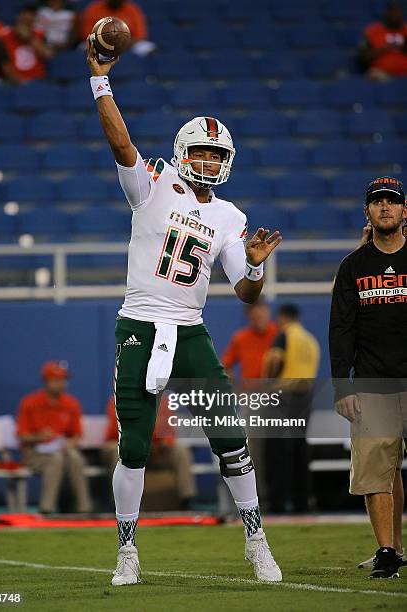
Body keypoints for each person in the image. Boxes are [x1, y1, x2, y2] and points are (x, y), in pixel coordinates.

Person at [86, 41, 283, 585]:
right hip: (141, 320)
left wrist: (259, 267)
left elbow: (245, 294)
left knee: (228, 434)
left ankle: (256, 538)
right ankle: (127, 548)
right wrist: (100, 80)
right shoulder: (151, 182)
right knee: (135, 444)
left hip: (189, 327)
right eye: (200, 153)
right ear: (181, 153)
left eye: (216, 156)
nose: (208, 162)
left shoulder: (229, 215)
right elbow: (120, 142)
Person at [329, 176, 407, 578]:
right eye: (377, 202)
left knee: (387, 469)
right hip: (373, 383)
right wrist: (343, 385)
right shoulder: (353, 267)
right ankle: (388, 551)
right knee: (377, 470)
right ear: (367, 212)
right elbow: (341, 328)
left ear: (404, 211)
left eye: (391, 202)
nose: (384, 208)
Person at [262, 304, 320, 513]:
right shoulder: (310, 340)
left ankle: (277, 503)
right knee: (299, 449)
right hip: (304, 398)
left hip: (283, 396)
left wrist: (267, 384)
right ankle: (301, 502)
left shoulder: (285, 335)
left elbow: (275, 360)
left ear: (283, 317)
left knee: (277, 451)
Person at [222, 297, 278, 506]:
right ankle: (259, 496)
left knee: (277, 449)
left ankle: (276, 494)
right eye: (256, 314)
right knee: (253, 449)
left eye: (263, 312)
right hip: (253, 400)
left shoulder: (278, 334)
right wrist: (235, 388)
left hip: (278, 400)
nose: (260, 317)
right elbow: (225, 365)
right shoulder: (241, 338)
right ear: (249, 317)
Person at [16, 361, 92, 514]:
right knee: (56, 459)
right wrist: (38, 437)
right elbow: (22, 436)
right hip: (35, 453)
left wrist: (69, 443)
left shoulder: (71, 404)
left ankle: (84, 509)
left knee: (75, 457)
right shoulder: (30, 403)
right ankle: (47, 509)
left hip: (61, 450)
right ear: (46, 381)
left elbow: (77, 436)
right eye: (56, 380)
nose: (61, 384)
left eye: (63, 380)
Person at [102, 395, 197, 509]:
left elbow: (169, 431)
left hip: (157, 450)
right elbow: (118, 431)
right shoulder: (120, 400)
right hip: (131, 448)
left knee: (180, 450)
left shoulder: (162, 401)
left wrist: (164, 442)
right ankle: (120, 503)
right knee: (118, 451)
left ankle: (186, 499)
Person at [0, 5, 54, 84]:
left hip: (39, 80)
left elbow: (48, 55)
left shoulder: (40, 35)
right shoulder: (4, 38)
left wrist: (30, 39)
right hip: (15, 83)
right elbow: (5, 67)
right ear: (18, 17)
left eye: (32, 16)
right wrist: (23, 83)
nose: (29, 18)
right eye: (25, 16)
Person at [81, 0, 155, 56]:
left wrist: (122, 43)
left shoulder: (132, 9)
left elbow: (140, 35)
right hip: (100, 43)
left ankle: (150, 74)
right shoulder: (94, 8)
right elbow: (87, 34)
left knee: (148, 48)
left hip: (128, 44)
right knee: (84, 47)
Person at [359, 0, 407, 80]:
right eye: (392, 11)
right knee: (374, 76)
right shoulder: (372, 31)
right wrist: (383, 49)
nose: (395, 15)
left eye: (398, 12)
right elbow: (362, 59)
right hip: (381, 74)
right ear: (385, 13)